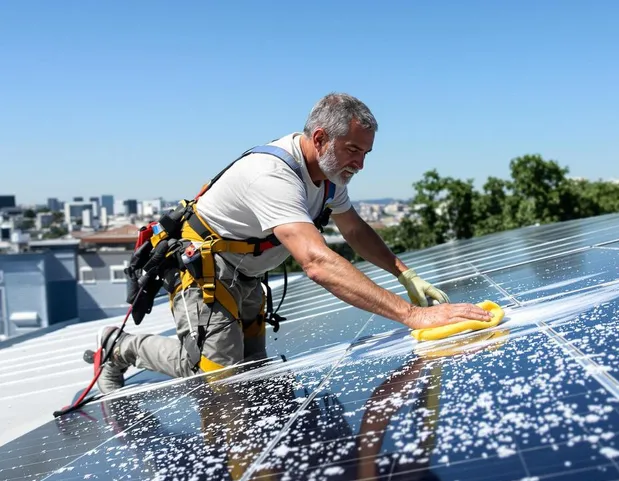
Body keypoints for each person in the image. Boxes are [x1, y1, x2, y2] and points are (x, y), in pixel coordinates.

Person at [91, 92, 493, 393]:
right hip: (206, 273)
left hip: (247, 276)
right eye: (353, 150)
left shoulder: (329, 175)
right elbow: (316, 262)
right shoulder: (273, 175)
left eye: (366, 152)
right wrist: (413, 315)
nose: (360, 163)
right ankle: (119, 346)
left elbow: (354, 230)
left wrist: (404, 273)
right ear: (320, 138)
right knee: (216, 375)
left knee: (253, 374)